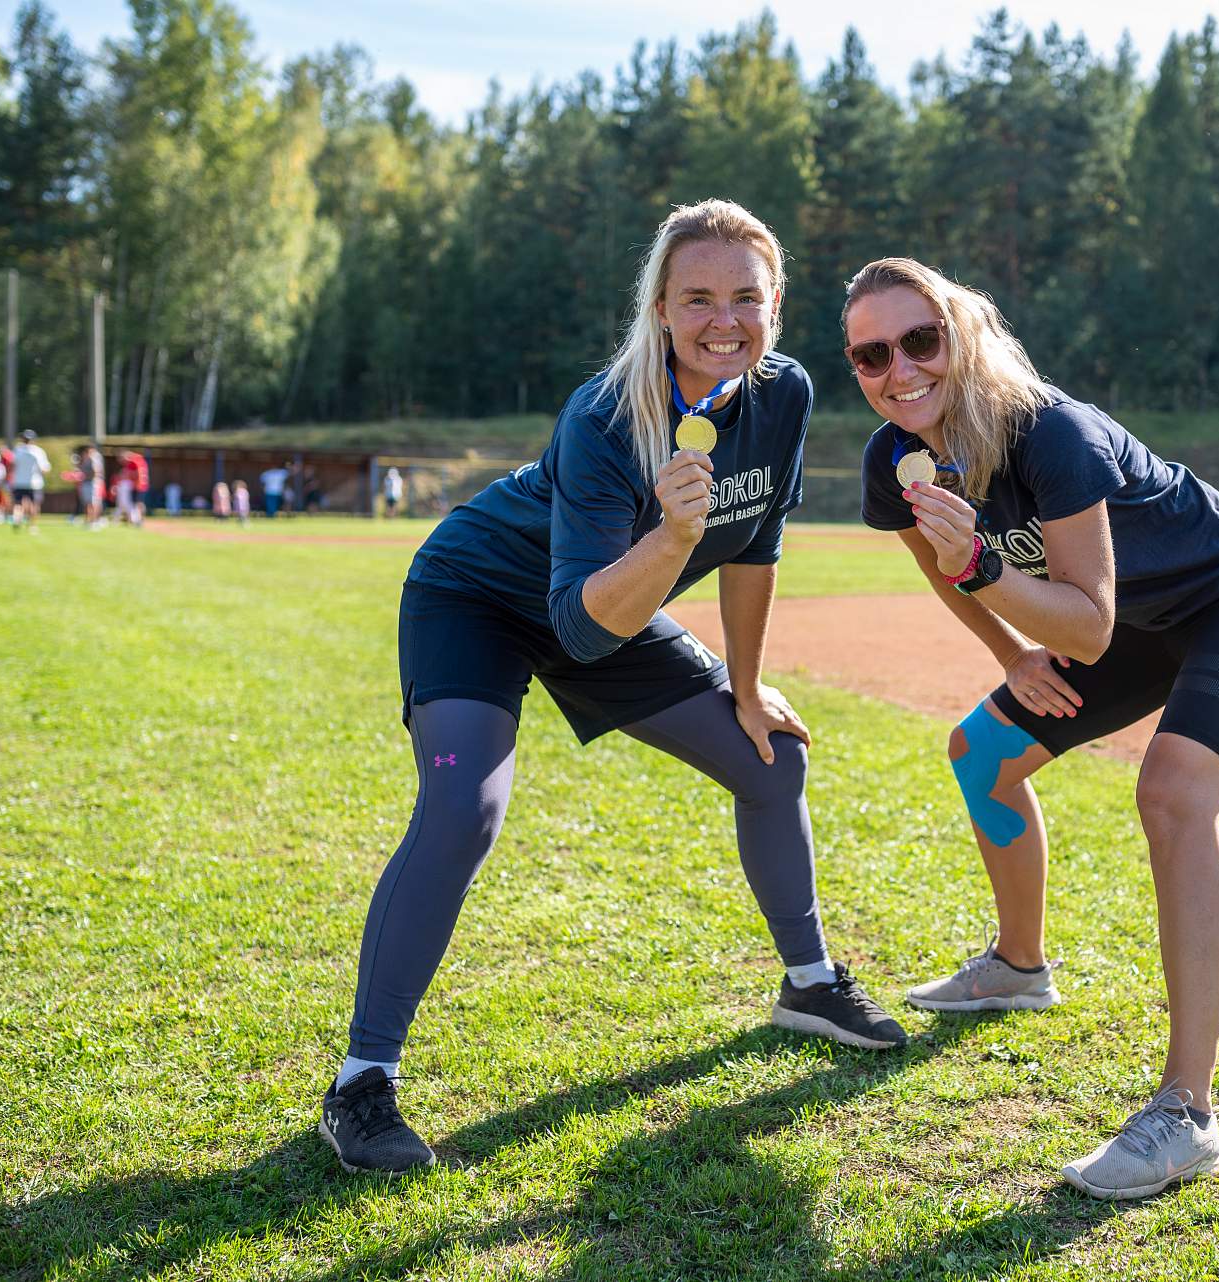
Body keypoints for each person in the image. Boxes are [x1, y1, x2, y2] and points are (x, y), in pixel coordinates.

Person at [320, 199, 906, 1176]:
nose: (724, 319)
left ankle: (809, 984)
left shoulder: (785, 393)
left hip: (609, 603)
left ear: (776, 305)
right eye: (697, 298)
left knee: (771, 758)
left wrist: (748, 686)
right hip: (481, 597)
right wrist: (673, 537)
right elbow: (584, 627)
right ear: (660, 309)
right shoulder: (604, 414)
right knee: (464, 809)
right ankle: (361, 1083)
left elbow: (755, 543)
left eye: (746, 297)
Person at [846, 258, 1219, 1201]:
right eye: (872, 354)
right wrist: (1009, 652)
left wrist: (984, 567)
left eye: (920, 340)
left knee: (1173, 795)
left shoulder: (1047, 434)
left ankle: (1187, 1113)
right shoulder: (890, 461)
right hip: (1131, 622)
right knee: (983, 753)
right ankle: (1019, 966)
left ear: (960, 337)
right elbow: (943, 567)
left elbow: (1088, 624)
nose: (900, 368)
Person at [10, 431, 50, 530]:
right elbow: (44, 469)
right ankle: (32, 526)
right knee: (34, 504)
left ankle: (17, 519)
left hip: (19, 482)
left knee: (18, 503)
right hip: (35, 483)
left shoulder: (17, 450)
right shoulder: (38, 451)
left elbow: (12, 465)